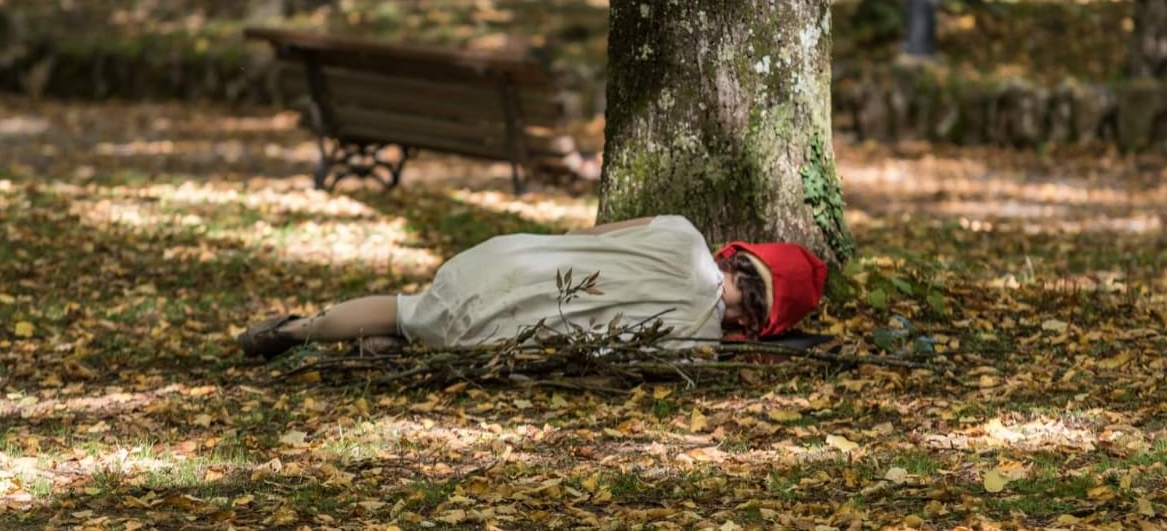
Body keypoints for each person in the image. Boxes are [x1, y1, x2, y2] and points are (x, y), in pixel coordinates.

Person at [237, 215, 828, 359]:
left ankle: (299, 328)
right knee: (431, 325)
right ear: (759, 323)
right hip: (504, 338)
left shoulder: (680, 233)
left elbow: (589, 234)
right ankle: (405, 340)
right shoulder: (696, 347)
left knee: (404, 306)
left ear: (743, 256)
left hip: (508, 260)